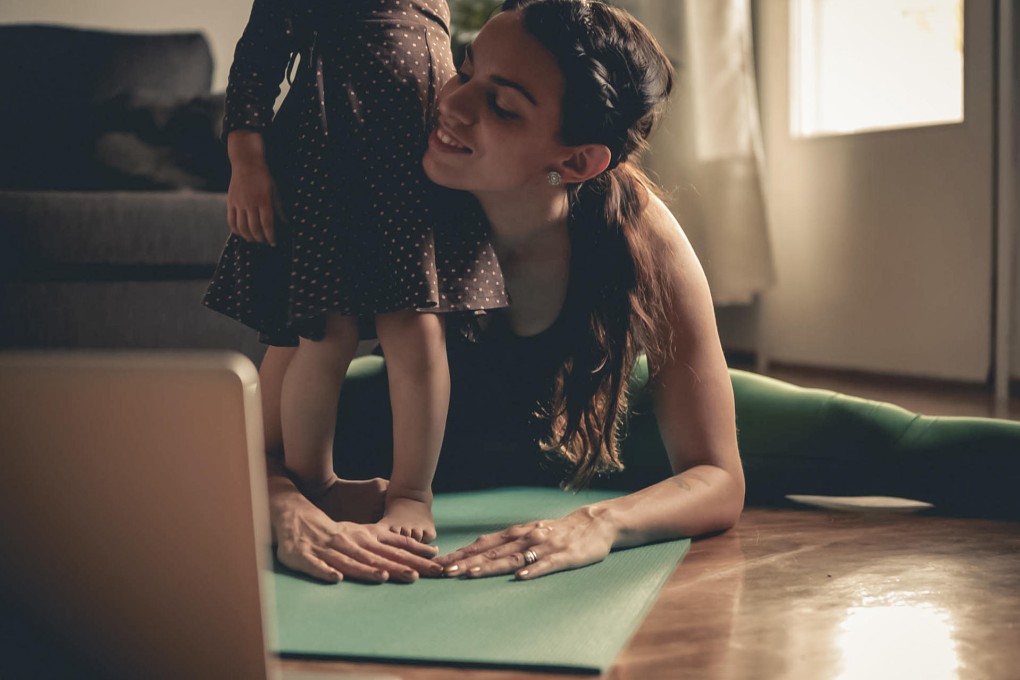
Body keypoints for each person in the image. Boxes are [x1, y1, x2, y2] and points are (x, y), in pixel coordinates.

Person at [256, 0, 1020, 586]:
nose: (450, 106)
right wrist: (287, 506)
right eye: (465, 72)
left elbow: (719, 477)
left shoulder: (634, 231)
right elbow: (246, 444)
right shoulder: (381, 198)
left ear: (580, 160)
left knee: (898, 445)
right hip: (409, 439)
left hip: (614, 428)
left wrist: (603, 524)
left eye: (503, 104)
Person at [204, 0, 509, 543]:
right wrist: (247, 163)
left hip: (415, 163)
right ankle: (309, 483)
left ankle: (412, 493)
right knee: (320, 331)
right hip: (327, 155)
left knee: (417, 330)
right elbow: (255, 63)